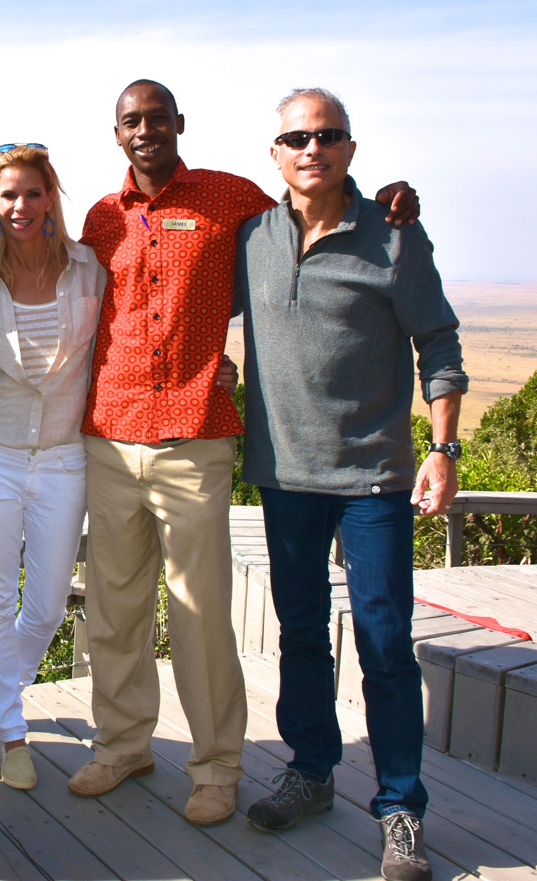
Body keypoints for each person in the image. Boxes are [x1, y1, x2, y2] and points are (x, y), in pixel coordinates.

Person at [69, 78, 419, 828]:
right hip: (109, 432)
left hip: (195, 434)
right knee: (114, 609)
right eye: (132, 121)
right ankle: (123, 742)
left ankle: (217, 764)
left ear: (178, 124)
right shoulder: (100, 218)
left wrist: (382, 197)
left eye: (157, 118)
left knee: (199, 615)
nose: (145, 131)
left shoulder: (232, 199)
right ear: (117, 133)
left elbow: (315, 217)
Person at [238, 88, 466, 881]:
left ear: (350, 149)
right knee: (301, 633)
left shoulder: (395, 236)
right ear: (275, 154)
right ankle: (310, 771)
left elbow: (438, 343)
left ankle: (401, 808)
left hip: (373, 480)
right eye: (296, 136)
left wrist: (444, 449)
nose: (312, 147)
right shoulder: (253, 237)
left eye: (327, 134)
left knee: (384, 643)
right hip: (284, 476)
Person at [0, 145, 105, 788]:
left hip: (65, 458)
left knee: (43, 606)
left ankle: (1, 682)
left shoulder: (90, 270)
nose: (20, 206)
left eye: (32, 193)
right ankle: (14, 734)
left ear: (51, 197)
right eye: (8, 194)